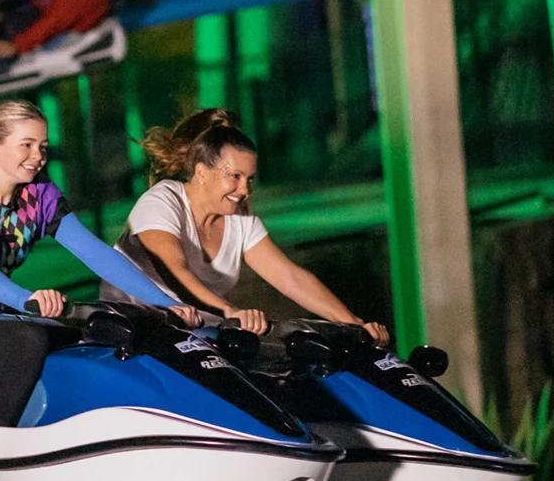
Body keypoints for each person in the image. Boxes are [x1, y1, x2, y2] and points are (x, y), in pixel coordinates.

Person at [0, 100, 201, 426]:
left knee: (96, 333)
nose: (38, 156)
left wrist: (165, 303)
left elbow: (98, 255)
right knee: (29, 341)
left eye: (43, 146)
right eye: (27, 145)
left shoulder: (39, 194)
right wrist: (27, 299)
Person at [103, 108, 390, 343]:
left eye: (249, 178)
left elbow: (291, 277)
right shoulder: (162, 201)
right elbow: (174, 272)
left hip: (191, 336)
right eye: (236, 177)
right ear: (202, 172)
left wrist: (355, 325)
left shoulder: (242, 221)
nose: (245, 190)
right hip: (129, 332)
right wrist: (229, 310)